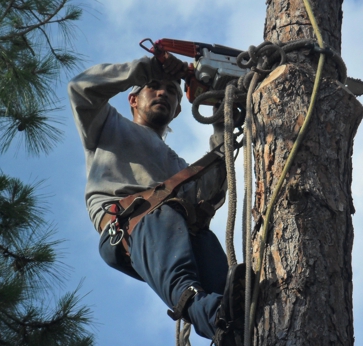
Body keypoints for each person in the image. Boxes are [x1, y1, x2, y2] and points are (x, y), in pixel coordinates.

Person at [68, 53, 244, 345]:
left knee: (204, 244)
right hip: (129, 225)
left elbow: (212, 189)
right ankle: (212, 316)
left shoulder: (177, 165)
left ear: (177, 110)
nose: (163, 93)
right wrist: (146, 69)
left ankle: (237, 323)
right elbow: (81, 88)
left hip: (170, 226)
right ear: (133, 100)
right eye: (153, 87)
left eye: (172, 91)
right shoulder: (107, 125)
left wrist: (223, 120)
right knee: (170, 232)